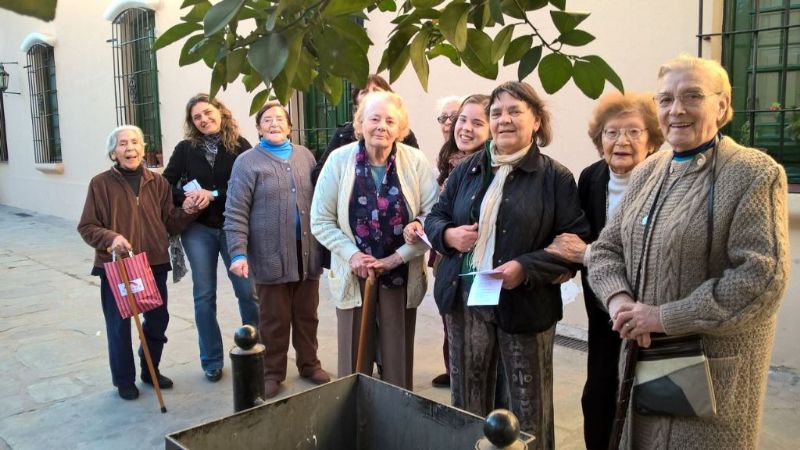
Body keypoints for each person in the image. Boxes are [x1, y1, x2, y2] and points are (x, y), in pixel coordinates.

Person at [588, 55, 789, 449]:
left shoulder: (754, 173)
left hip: (711, 384)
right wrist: (619, 302)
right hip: (641, 367)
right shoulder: (649, 170)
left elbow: (761, 279)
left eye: (692, 96)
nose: (676, 110)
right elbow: (604, 249)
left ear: (723, 106)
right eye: (665, 100)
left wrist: (663, 317)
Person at [424, 81, 590, 446]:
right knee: (467, 402)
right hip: (466, 301)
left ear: (536, 121)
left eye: (515, 111)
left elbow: (573, 241)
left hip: (525, 306)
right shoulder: (468, 168)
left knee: (528, 409)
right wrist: (449, 236)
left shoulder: (554, 177)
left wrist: (526, 268)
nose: (504, 120)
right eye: (496, 113)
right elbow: (434, 216)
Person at [543, 91, 664, 450]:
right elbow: (582, 235)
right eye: (611, 133)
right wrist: (562, 264)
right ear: (599, 141)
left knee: (647, 399)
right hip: (603, 311)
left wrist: (584, 255)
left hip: (649, 311)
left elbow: (644, 252)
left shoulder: (663, 181)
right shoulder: (592, 177)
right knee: (597, 395)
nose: (621, 141)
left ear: (653, 140)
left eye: (633, 132)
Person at [311, 91, 438, 390]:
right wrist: (352, 255)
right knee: (354, 363)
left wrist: (403, 250)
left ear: (401, 128)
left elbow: (433, 215)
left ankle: (396, 421)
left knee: (397, 362)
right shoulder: (339, 161)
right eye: (374, 118)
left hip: (400, 273)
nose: (381, 126)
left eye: (390, 120)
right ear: (360, 123)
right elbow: (320, 219)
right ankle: (353, 420)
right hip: (355, 274)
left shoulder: (415, 161)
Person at [78, 125, 201, 400]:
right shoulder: (100, 184)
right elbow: (86, 226)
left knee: (158, 320)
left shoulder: (157, 183)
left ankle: (150, 369)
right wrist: (111, 239)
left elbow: (170, 221)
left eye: (134, 142)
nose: (129, 148)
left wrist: (189, 211)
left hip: (154, 262)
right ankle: (124, 379)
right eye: (122, 144)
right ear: (113, 152)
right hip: (118, 265)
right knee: (119, 325)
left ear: (143, 149)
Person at [224, 101, 330, 399]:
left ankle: (309, 365)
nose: (274, 124)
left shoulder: (305, 155)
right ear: (258, 128)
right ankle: (272, 372)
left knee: (307, 315)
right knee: (274, 318)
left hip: (307, 251)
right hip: (270, 254)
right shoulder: (247, 162)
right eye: (267, 120)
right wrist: (238, 253)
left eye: (280, 119)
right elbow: (235, 210)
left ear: (289, 125)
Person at [162, 93, 258, 383]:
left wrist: (213, 194)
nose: (203, 119)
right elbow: (165, 185)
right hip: (198, 229)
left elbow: (250, 186)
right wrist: (188, 197)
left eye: (207, 112)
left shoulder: (241, 146)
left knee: (247, 293)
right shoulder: (184, 149)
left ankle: (255, 350)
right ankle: (212, 360)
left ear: (220, 112)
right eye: (197, 117)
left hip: (233, 227)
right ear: (192, 123)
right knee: (204, 295)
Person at [426, 94, 491, 389]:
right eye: (460, 120)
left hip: (485, 275)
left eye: (477, 122)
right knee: (454, 329)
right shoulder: (451, 161)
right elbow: (437, 213)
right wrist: (447, 234)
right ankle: (454, 372)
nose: (463, 127)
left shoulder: (496, 170)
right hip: (450, 262)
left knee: (482, 355)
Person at [311, 74, 419, 185]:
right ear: (356, 101)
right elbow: (319, 175)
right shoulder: (343, 134)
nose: (371, 94)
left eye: (376, 90)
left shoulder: (404, 135)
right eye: (364, 92)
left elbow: (417, 173)